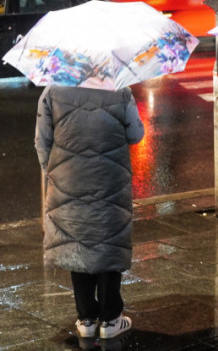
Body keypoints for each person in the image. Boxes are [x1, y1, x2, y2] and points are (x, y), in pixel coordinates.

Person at [36, 86, 144, 340]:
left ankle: (86, 318)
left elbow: (42, 141)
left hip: (68, 180)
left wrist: (54, 173)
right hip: (109, 179)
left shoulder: (52, 93)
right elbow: (136, 134)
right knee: (107, 240)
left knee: (78, 239)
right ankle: (110, 319)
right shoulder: (121, 92)